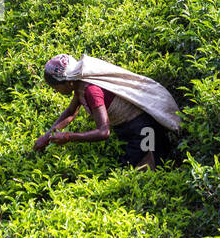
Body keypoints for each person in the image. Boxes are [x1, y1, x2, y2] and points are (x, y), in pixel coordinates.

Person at [33, 54, 181, 170]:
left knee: (146, 170)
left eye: (55, 87)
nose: (55, 91)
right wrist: (47, 136)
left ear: (68, 82)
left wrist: (68, 137)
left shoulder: (91, 91)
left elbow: (103, 132)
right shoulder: (79, 86)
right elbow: (71, 112)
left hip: (145, 129)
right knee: (132, 168)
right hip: (131, 130)